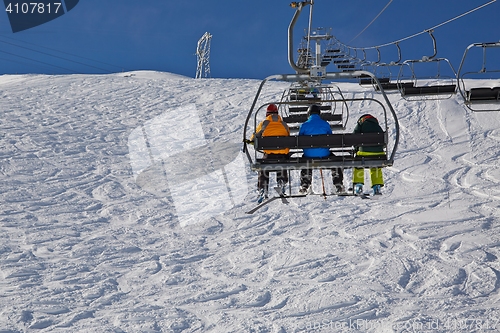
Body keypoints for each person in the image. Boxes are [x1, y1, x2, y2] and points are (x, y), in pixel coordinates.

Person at [298, 104, 344, 194]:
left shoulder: (304, 125)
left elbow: (299, 141)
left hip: (309, 155)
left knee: (306, 160)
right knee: (335, 161)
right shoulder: (325, 124)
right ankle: (338, 183)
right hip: (324, 154)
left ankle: (305, 184)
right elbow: (330, 139)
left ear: (308, 114)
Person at [251, 104, 290, 202]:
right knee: (282, 161)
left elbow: (253, 139)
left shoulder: (264, 123)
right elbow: (288, 138)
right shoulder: (284, 124)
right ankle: (282, 181)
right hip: (282, 155)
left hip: (269, 156)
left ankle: (263, 188)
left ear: (267, 113)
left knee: (264, 165)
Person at [352, 114, 386, 195]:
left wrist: (356, 149)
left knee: (358, 165)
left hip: (364, 153)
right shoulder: (378, 127)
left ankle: (358, 185)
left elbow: (354, 138)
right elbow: (384, 142)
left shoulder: (361, 124)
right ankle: (376, 187)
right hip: (379, 154)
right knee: (376, 167)